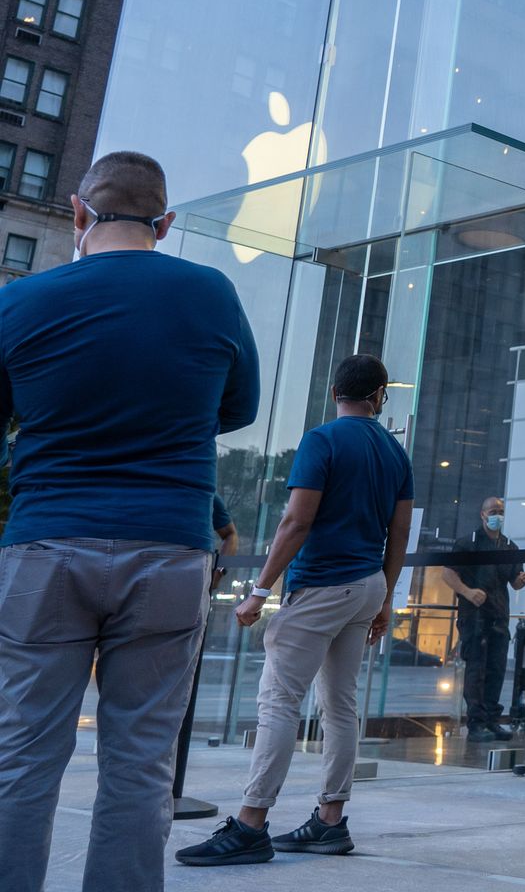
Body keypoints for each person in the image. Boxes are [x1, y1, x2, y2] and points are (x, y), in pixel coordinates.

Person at [0, 152, 260, 892]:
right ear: (166, 224)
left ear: (79, 214)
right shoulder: (212, 293)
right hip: (169, 546)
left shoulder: (21, 302)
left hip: (46, 545)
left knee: (22, 753)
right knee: (142, 764)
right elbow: (238, 409)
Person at [176, 355, 414, 866]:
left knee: (279, 702)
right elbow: (400, 534)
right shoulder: (396, 453)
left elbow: (295, 523)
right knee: (340, 704)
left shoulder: (322, 440)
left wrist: (259, 591)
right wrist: (387, 596)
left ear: (334, 391)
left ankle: (250, 825)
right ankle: (330, 821)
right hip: (367, 584)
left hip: (323, 585)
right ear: (379, 397)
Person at [443, 495, 525, 740]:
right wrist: (468, 592)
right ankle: (476, 724)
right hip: (474, 617)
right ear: (482, 514)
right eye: (493, 511)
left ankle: (492, 719)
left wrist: (521, 581)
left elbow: (514, 582)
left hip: (499, 617)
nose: (497, 516)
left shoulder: (509, 547)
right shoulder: (467, 544)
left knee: (496, 669)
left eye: (500, 511)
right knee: (476, 669)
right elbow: (448, 574)